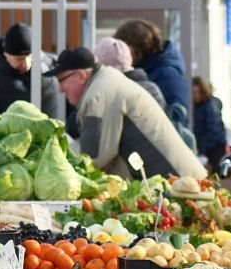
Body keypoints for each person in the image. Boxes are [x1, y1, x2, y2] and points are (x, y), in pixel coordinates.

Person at [51, 46, 206, 179]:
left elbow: (93, 156)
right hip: (177, 180)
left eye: (61, 80)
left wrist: (56, 158)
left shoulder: (99, 93)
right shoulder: (106, 83)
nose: (59, 88)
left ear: (80, 75)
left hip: (178, 185)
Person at [0, 22, 60, 117]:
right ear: (5, 55)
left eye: (30, 56)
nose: (26, 64)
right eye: (19, 59)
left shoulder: (50, 71)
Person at [115, 18, 191, 120]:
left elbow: (176, 116)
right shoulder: (150, 68)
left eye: (124, 48)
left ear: (136, 50)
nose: (121, 53)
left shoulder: (167, 74)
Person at [191, 77, 228, 171]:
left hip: (214, 148)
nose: (196, 96)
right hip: (206, 148)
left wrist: (203, 150)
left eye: (198, 92)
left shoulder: (209, 106)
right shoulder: (196, 106)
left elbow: (214, 131)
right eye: (193, 93)